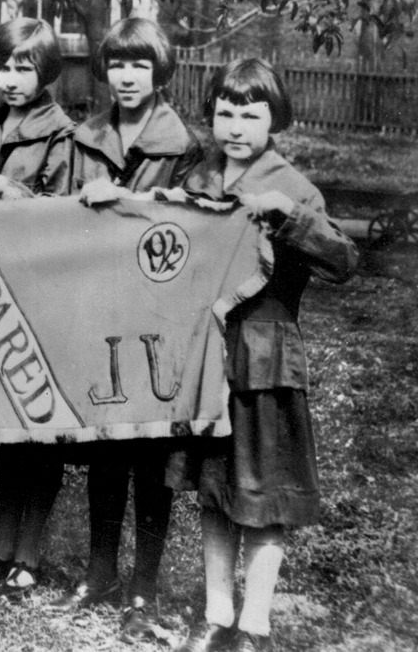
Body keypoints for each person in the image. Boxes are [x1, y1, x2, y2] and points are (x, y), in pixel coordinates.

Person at [168, 59, 356, 652]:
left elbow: (344, 262)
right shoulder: (198, 178)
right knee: (216, 489)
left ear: (275, 120)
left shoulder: (293, 187)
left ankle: (254, 625)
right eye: (224, 113)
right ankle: (216, 612)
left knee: (265, 495)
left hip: (267, 357)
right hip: (210, 356)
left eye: (250, 116)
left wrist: (291, 217)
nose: (235, 127)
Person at [51, 17, 204, 638]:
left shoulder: (184, 144)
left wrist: (141, 205)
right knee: (106, 445)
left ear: (159, 71)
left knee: (150, 451)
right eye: (117, 65)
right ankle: (99, 570)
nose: (128, 76)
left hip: (159, 312)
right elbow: (58, 214)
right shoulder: (84, 136)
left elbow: (196, 222)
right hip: (99, 304)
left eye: (140, 65)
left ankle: (145, 581)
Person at [0, 17, 75, 595]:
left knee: (40, 428)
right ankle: (1, 544)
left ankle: (30, 548)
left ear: (45, 72)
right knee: (9, 427)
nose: (11, 79)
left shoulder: (61, 133)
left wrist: (9, 189)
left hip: (41, 288)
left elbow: (64, 211)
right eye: (3, 67)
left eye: (24, 68)